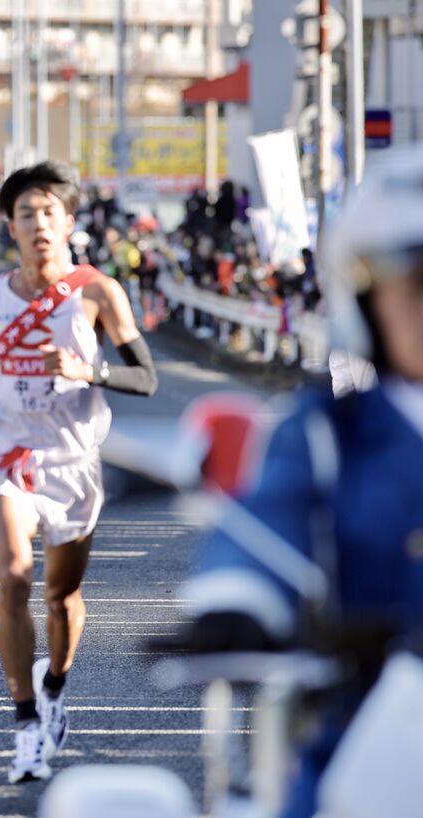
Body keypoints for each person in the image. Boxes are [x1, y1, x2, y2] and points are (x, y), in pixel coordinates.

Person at [176, 144, 423, 818]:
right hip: (366, 718)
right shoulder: (326, 428)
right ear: (367, 298)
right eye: (418, 287)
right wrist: (236, 604)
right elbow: (266, 521)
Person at [0, 160, 158, 783]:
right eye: (25, 214)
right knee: (14, 576)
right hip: (11, 453)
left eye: (49, 213)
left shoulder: (98, 292)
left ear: (68, 222)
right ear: (8, 226)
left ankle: (55, 687)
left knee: (62, 596)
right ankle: (26, 726)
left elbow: (145, 377)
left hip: (74, 461)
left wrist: (87, 370)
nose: (38, 224)